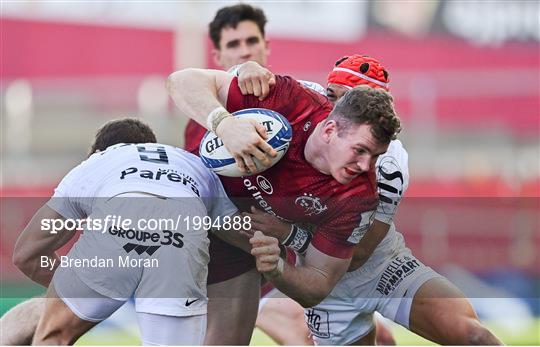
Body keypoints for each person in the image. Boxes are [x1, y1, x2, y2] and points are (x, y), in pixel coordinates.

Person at [242, 56, 502, 345]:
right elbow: (248, 86)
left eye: (349, 101)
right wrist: (246, 71)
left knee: (473, 336)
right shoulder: (309, 101)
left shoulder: (389, 165)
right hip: (328, 289)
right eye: (331, 96)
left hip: (379, 267)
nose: (334, 110)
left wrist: (287, 234)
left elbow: (360, 252)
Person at [167, 66, 401, 343]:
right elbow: (180, 80)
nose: (365, 166)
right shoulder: (290, 101)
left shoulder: (358, 197)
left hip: (236, 241)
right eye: (360, 150)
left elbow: (318, 283)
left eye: (376, 156)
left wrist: (276, 267)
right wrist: (225, 124)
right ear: (329, 130)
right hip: (181, 198)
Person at [10, 118, 239, 345]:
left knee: (54, 336)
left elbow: (27, 254)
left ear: (98, 151)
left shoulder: (97, 161)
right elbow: (240, 235)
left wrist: (79, 288)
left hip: (117, 226)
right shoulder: (192, 163)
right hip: (182, 236)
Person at [184, 3, 270, 154]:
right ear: (217, 57)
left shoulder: (295, 98)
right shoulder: (199, 121)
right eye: (233, 45)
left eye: (252, 41)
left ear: (266, 46)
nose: (245, 52)